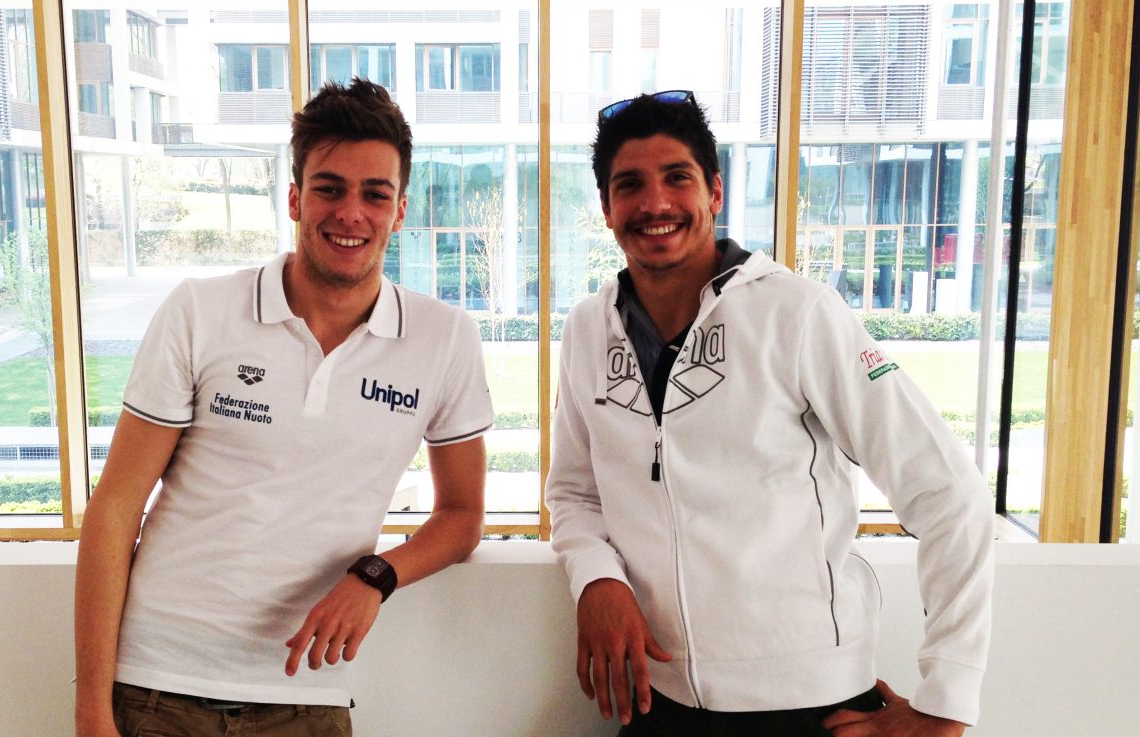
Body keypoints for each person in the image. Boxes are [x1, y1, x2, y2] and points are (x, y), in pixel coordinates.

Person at [545, 90, 993, 737]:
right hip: (659, 701)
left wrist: (946, 700)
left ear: (715, 191)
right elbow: (574, 492)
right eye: (630, 184)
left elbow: (948, 491)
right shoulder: (588, 330)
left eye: (677, 177)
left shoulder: (798, 313)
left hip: (809, 704)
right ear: (607, 207)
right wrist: (596, 579)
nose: (655, 202)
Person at [74, 79, 493, 737]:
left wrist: (376, 575)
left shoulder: (444, 338)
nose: (351, 213)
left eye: (375, 194)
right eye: (329, 188)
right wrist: (92, 709)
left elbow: (462, 515)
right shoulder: (200, 311)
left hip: (307, 698)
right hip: (155, 690)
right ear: (295, 198)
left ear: (400, 211)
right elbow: (116, 508)